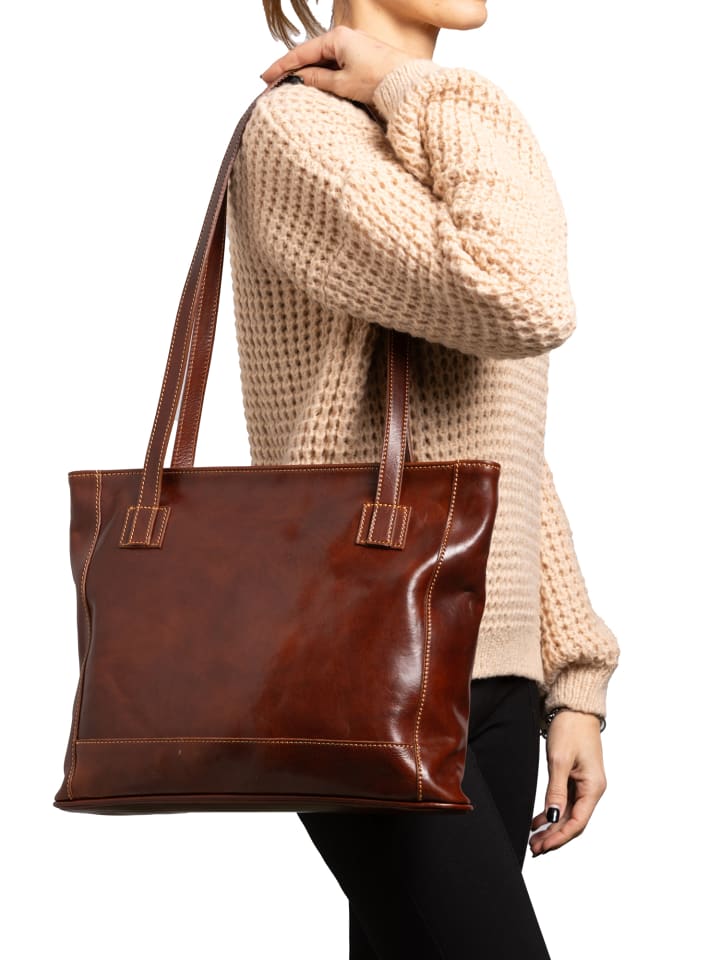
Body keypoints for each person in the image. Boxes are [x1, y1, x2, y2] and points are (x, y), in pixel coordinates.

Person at [226, 1, 621, 956]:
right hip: (361, 670)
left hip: (495, 681)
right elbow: (523, 292)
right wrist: (418, 86)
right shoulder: (300, 133)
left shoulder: (435, 128)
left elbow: (498, 437)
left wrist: (572, 679)